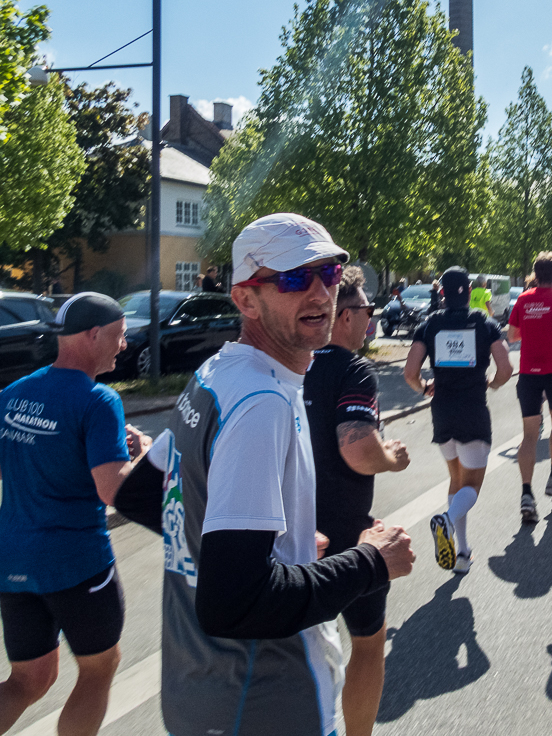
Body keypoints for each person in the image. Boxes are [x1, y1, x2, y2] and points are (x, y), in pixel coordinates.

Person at [113, 212, 415, 736]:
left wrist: (273, 550)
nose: (321, 293)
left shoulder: (218, 373)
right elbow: (234, 605)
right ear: (245, 299)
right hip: (266, 702)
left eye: (330, 273)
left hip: (198, 691)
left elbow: (141, 494)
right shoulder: (262, 402)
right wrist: (371, 562)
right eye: (295, 278)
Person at [0, 293, 149, 736]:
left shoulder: (17, 391)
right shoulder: (99, 401)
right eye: (118, 336)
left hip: (12, 563)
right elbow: (113, 488)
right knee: (99, 668)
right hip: (76, 563)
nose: (123, 345)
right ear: (93, 334)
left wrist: (34, 464)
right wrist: (145, 458)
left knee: (28, 679)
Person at [304, 266, 410, 736]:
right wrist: (392, 457)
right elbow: (358, 450)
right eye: (367, 310)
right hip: (346, 536)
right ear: (343, 316)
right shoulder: (353, 369)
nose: (372, 319)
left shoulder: (293, 363)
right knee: (368, 642)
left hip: (289, 534)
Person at [406, 267, 512, 575]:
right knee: (472, 487)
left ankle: (463, 553)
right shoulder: (484, 323)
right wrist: (490, 384)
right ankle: (447, 521)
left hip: (442, 412)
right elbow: (505, 369)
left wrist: (424, 388)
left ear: (442, 293)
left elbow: (410, 373)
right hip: (473, 411)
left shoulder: (429, 324)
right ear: (469, 290)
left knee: (456, 481)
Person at [507, 252, 552, 524]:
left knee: (529, 435)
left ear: (535, 274)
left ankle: (526, 494)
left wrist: (531, 328)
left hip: (528, 375)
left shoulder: (523, 300)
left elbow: (512, 335)